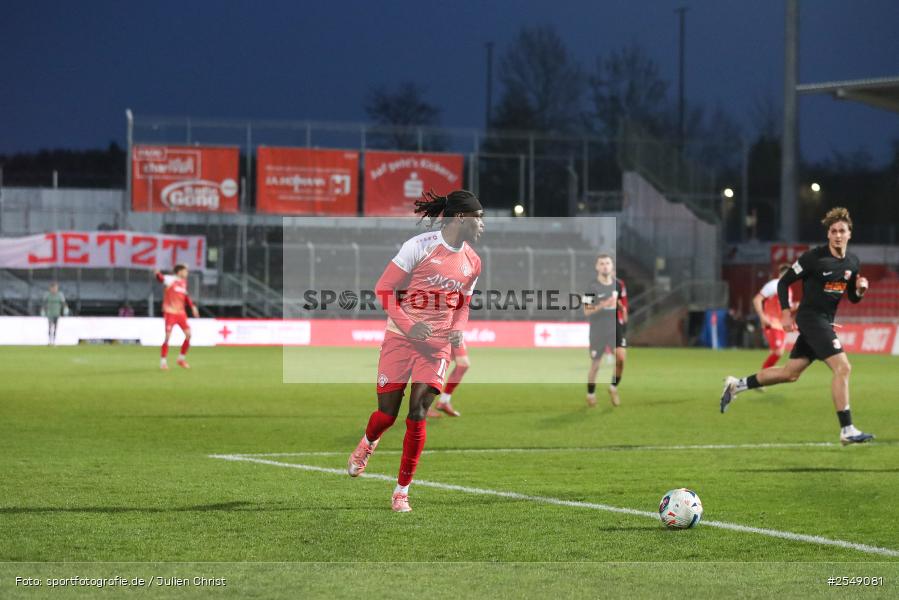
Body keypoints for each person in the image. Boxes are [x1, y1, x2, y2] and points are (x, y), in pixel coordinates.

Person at [347, 190, 484, 512]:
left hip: (435, 347)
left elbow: (463, 303)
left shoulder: (473, 262)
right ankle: (368, 442)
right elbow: (383, 288)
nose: (483, 225)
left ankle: (401, 492)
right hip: (400, 338)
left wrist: (458, 327)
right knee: (387, 415)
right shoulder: (418, 246)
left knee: (418, 413)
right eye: (479, 218)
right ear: (461, 218)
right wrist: (409, 326)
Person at [719, 207, 874, 445]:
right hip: (812, 319)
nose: (838, 235)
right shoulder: (813, 258)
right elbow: (783, 283)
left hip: (825, 321)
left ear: (849, 234)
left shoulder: (853, 262)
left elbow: (852, 297)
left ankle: (736, 385)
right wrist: (784, 314)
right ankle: (847, 429)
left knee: (790, 374)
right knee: (843, 368)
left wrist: (860, 291)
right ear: (828, 235)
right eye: (833, 231)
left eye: (842, 230)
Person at [584, 255, 628, 407]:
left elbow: (623, 307)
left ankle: (613, 387)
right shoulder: (591, 287)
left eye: (607, 263)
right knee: (595, 365)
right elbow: (586, 311)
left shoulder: (619, 285)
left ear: (612, 266)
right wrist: (603, 305)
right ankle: (590, 393)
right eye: (601, 263)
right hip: (598, 329)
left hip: (615, 326)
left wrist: (621, 307)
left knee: (621, 359)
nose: (605, 266)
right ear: (597, 267)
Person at [154, 264, 199, 370]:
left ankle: (181, 359)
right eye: (185, 271)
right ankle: (163, 362)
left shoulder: (184, 283)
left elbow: (186, 297)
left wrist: (193, 307)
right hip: (170, 312)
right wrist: (157, 274)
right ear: (179, 272)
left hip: (181, 313)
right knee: (168, 337)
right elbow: (161, 278)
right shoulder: (170, 279)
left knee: (188, 335)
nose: (187, 273)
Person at [752, 263, 795, 369]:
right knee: (778, 351)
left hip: (780, 325)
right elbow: (757, 299)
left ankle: (765, 375)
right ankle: (763, 375)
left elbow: (784, 308)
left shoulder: (788, 290)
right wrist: (762, 317)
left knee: (778, 352)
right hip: (771, 323)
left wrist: (796, 306)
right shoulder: (774, 284)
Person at [427, 343, 469, 418]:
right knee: (437, 363)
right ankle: (424, 406)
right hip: (442, 332)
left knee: (463, 365)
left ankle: (444, 401)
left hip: (454, 332)